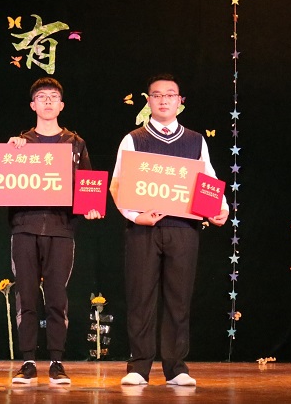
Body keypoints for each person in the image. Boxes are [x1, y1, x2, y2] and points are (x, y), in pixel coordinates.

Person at [110, 74, 228, 387]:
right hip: (143, 230)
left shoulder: (195, 140)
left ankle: (176, 368)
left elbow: (208, 178)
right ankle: (139, 367)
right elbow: (118, 184)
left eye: (170, 95)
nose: (164, 100)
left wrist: (221, 209)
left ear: (180, 101)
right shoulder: (133, 139)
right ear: (148, 101)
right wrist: (136, 216)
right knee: (141, 297)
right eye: (157, 95)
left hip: (184, 228)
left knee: (179, 299)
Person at [7, 77, 102, 385]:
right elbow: (3, 182)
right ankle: (27, 361)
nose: (47, 101)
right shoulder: (19, 143)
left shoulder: (75, 143)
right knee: (26, 296)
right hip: (25, 227)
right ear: (32, 105)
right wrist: (10, 152)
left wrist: (91, 207)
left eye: (53, 97)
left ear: (61, 105)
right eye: (41, 97)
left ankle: (57, 362)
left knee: (57, 298)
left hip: (61, 229)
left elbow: (88, 184)